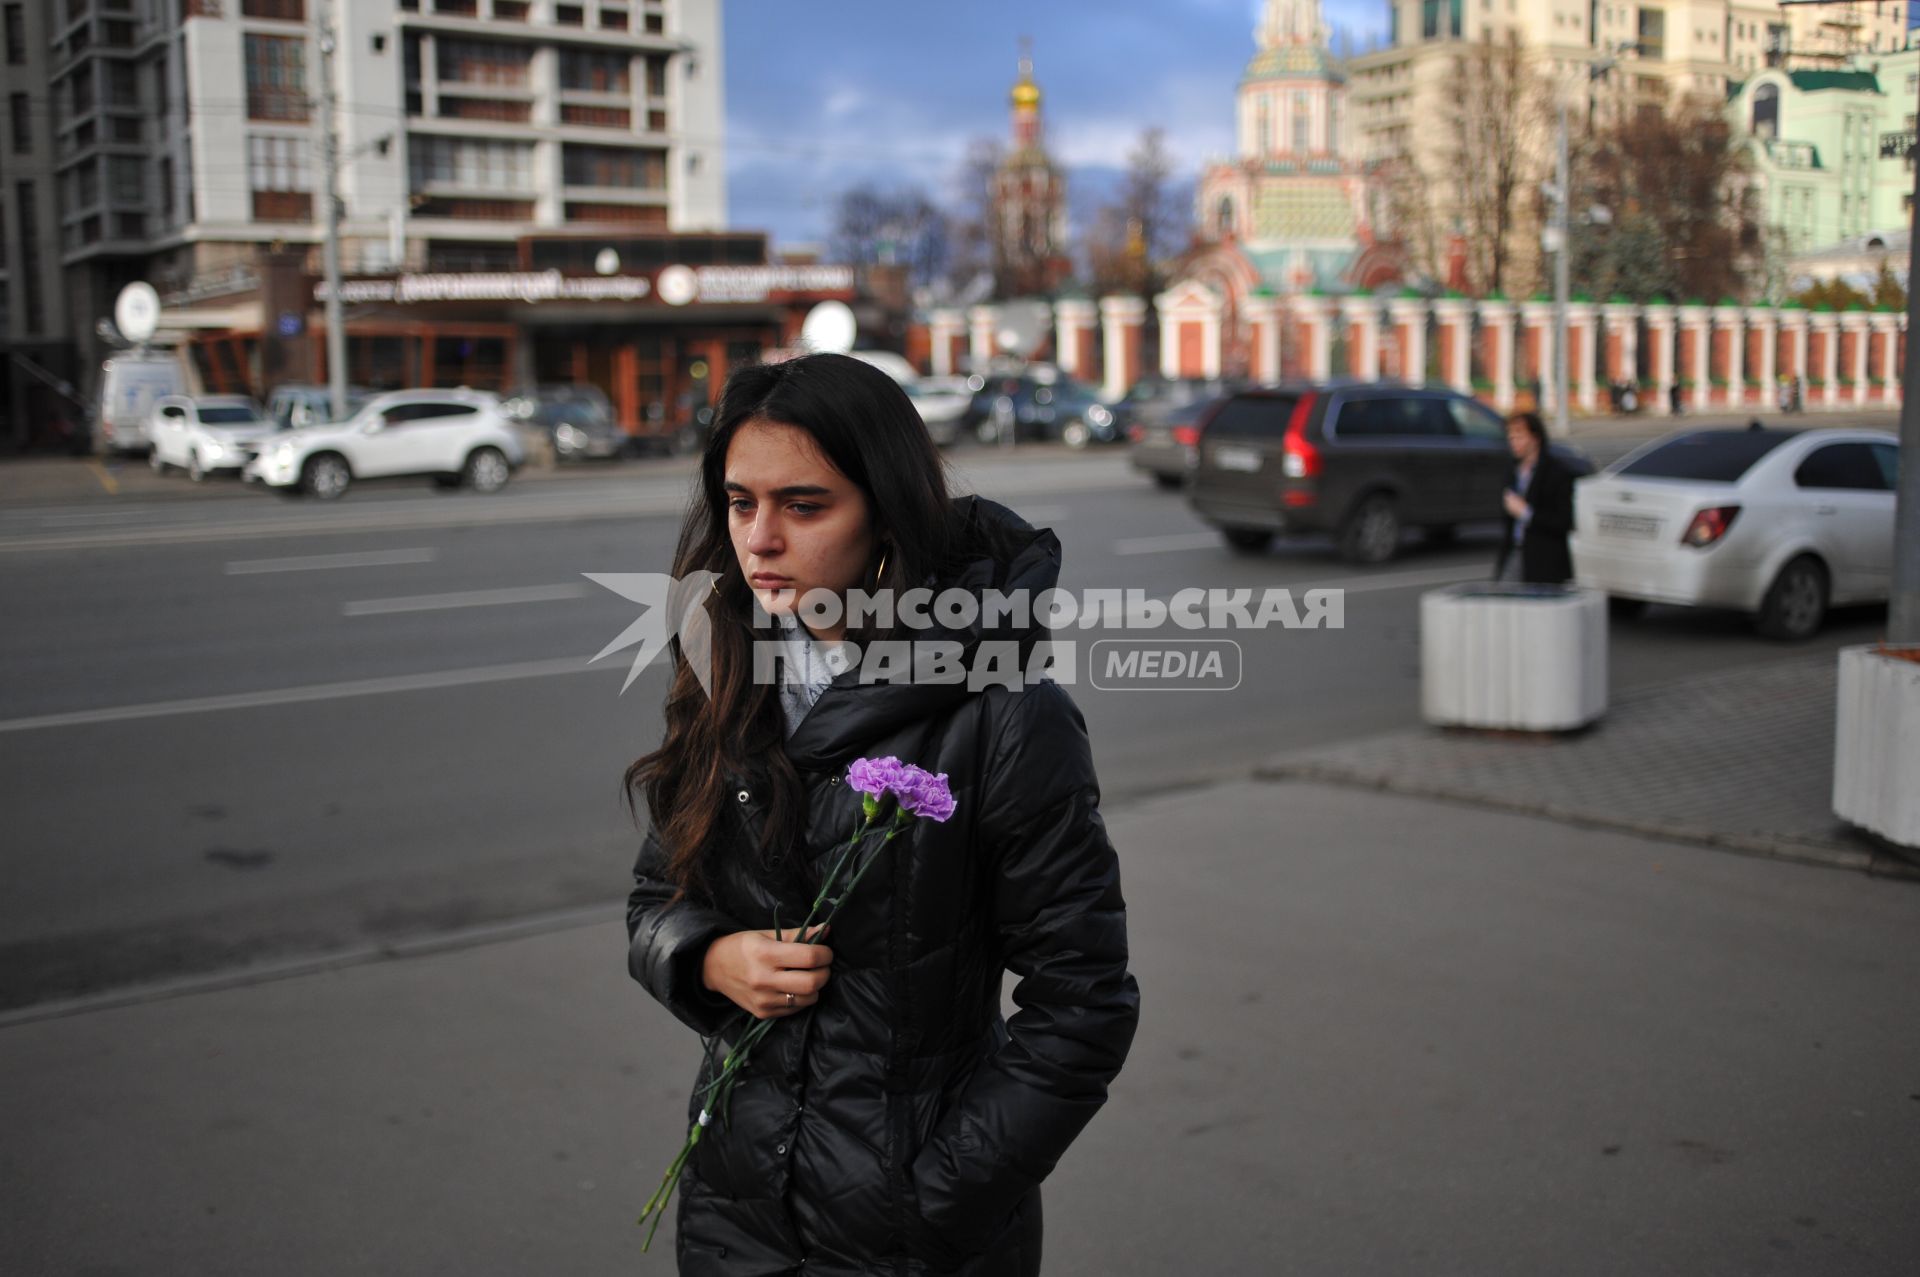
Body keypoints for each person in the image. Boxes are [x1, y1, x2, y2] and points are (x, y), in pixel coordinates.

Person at [624, 352, 1140, 1275]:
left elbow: (1084, 1001)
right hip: (738, 1209)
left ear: (889, 515)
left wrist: (935, 1197)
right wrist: (708, 957)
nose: (760, 539)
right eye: (742, 503)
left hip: (915, 1236)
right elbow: (655, 899)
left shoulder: (1005, 712)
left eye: (804, 505)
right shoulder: (728, 672)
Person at [1493, 410, 1575, 585]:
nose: (1513, 442)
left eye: (1519, 436)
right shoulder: (1513, 471)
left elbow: (1563, 521)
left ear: (1535, 438)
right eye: (1511, 437)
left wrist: (1526, 513)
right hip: (1515, 553)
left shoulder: (1556, 473)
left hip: (1544, 560)